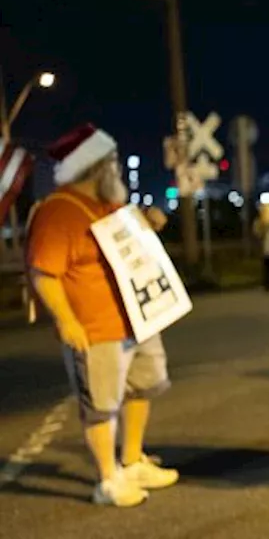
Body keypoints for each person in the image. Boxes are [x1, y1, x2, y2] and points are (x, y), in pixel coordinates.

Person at [25, 124, 179, 507]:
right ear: (93, 167)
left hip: (136, 319)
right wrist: (67, 321)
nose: (118, 168)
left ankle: (132, 460)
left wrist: (150, 223)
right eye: (111, 161)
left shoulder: (107, 204)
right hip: (96, 328)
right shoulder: (58, 212)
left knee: (144, 385)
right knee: (102, 404)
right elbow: (44, 273)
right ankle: (108, 480)